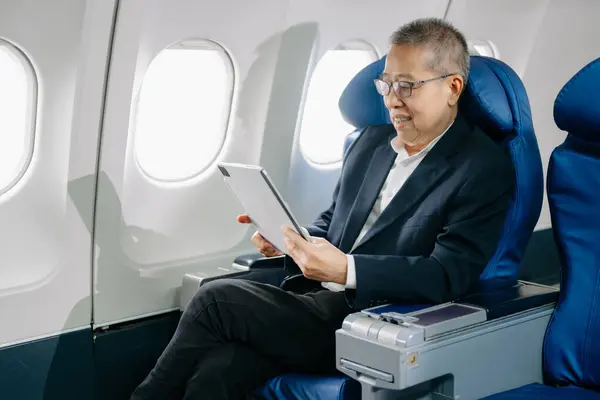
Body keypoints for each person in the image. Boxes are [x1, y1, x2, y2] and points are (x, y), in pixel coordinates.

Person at [131, 17, 515, 400]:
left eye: (407, 86)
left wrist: (347, 269)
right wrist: (292, 239)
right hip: (314, 298)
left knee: (215, 300)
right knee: (219, 370)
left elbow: (448, 274)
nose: (392, 99)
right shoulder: (372, 142)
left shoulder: (481, 167)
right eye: (386, 84)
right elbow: (335, 222)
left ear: (452, 87)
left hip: (373, 321)